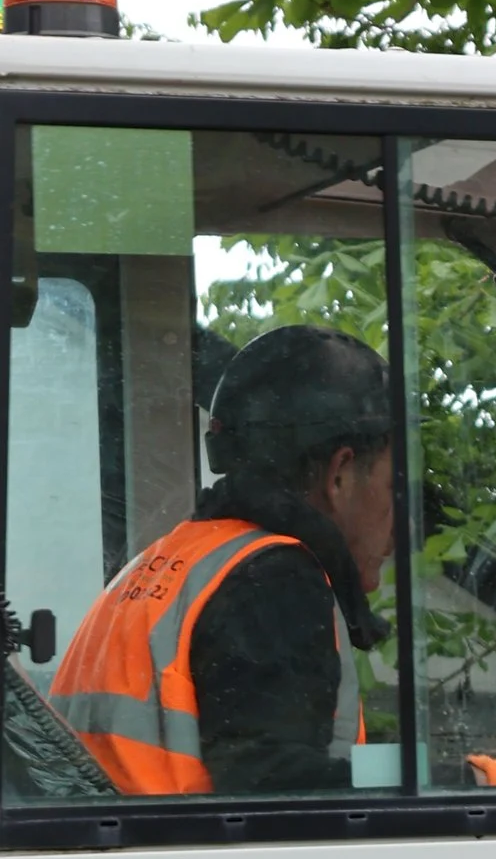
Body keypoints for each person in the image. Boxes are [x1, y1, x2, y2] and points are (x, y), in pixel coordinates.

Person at [52, 326, 393, 798]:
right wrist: (477, 781)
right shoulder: (274, 581)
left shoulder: (167, 563)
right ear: (340, 475)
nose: (399, 525)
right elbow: (278, 791)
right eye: (393, 486)